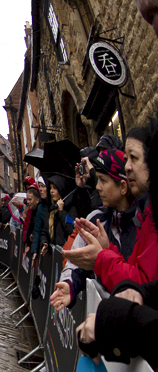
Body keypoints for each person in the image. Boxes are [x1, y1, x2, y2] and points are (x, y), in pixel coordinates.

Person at [69, 123, 157, 292]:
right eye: (126, 159)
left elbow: (142, 285)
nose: (127, 167)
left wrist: (101, 256)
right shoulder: (146, 211)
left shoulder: (146, 215)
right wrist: (107, 249)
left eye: (133, 158)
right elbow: (133, 268)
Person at [52, 149, 137, 311]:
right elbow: (77, 260)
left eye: (103, 181)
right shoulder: (95, 219)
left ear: (123, 187)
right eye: (97, 180)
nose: (97, 187)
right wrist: (70, 284)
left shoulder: (142, 222)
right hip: (103, 319)